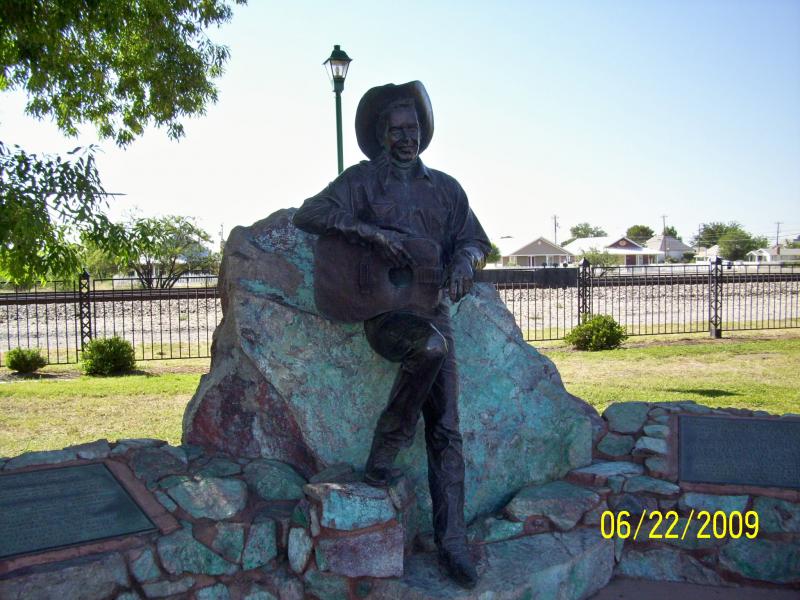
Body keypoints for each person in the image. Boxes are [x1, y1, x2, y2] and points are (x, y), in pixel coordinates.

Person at [293, 81, 490, 589]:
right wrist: (371, 234)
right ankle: (388, 443)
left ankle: (453, 544)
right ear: (382, 135)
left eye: (414, 128)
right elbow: (309, 214)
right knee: (427, 347)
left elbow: (475, 240)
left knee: (447, 429)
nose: (407, 137)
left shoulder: (446, 189)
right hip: (385, 316)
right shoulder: (361, 182)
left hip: (432, 308)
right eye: (397, 129)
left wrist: (467, 261)